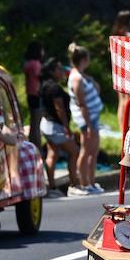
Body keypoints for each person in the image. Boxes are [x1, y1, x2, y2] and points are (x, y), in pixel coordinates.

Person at [37, 58, 80, 195]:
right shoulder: (54, 88)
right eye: (59, 69)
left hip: (47, 125)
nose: (62, 71)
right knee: (74, 152)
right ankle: (74, 185)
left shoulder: (45, 85)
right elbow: (59, 109)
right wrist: (66, 127)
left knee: (53, 154)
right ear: (52, 71)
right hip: (55, 126)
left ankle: (52, 187)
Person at [68, 43, 103, 194]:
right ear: (83, 60)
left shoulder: (81, 76)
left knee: (93, 152)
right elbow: (81, 103)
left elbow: (97, 88)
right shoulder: (76, 79)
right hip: (87, 120)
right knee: (86, 151)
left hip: (93, 117)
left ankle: (92, 182)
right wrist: (88, 125)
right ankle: (84, 183)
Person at [22, 41, 44, 150]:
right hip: (36, 94)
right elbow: (39, 76)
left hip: (30, 94)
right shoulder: (36, 64)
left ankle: (31, 145)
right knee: (37, 124)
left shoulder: (27, 63)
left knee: (33, 122)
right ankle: (37, 147)